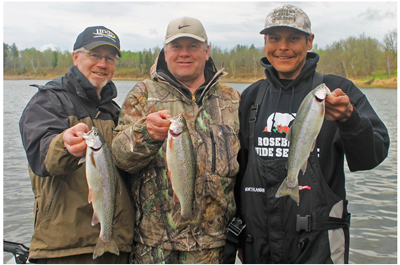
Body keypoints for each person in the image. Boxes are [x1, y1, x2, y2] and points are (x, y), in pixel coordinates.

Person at [226, 4, 390, 264]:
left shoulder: (338, 91)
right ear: (265, 42)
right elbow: (238, 171)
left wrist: (350, 119)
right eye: (274, 38)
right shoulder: (251, 97)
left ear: (309, 41)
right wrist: (237, 237)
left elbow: (373, 156)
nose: (283, 47)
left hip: (318, 246)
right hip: (259, 246)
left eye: (293, 38)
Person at [112, 17, 241, 264]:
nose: (184, 53)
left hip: (216, 246)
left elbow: (246, 169)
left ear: (207, 51)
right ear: (165, 51)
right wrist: (144, 133)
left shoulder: (232, 98)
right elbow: (118, 158)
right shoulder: (144, 93)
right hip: (155, 247)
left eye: (192, 46)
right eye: (176, 46)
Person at [19, 26, 135, 264]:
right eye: (95, 55)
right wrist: (64, 144)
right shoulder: (49, 100)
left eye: (110, 58)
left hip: (116, 245)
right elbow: (41, 154)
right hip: (66, 250)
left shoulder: (114, 111)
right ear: (75, 57)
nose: (102, 64)